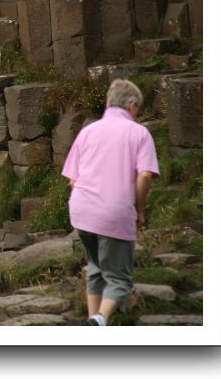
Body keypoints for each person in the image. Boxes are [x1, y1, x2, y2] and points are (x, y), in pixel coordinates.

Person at [61, 79, 160, 327]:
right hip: (114, 212)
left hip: (82, 211)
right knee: (119, 279)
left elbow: (72, 180)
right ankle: (100, 318)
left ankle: (93, 324)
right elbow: (145, 176)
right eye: (137, 109)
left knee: (96, 266)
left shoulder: (87, 132)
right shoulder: (139, 133)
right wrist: (139, 210)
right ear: (131, 105)